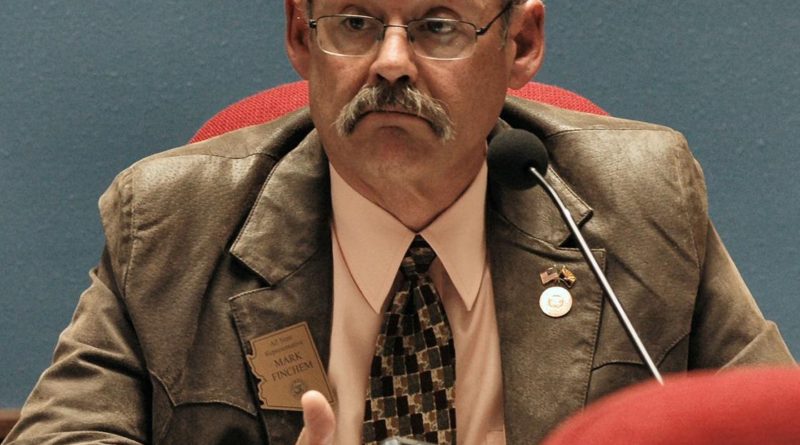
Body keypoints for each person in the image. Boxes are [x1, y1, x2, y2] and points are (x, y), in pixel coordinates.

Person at [5, 0, 795, 444]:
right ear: (300, 36)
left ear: (521, 43)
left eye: (437, 25)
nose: (389, 62)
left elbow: (763, 421)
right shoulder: (171, 222)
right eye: (354, 22)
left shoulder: (642, 202)